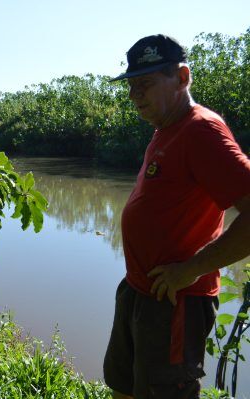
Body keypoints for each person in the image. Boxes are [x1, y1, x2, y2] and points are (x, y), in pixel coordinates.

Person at [103, 34, 250, 399]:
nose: (136, 94)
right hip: (140, 291)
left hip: (176, 303)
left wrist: (190, 269)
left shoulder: (201, 131)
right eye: (132, 85)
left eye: (147, 84)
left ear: (182, 77)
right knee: (122, 385)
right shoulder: (166, 129)